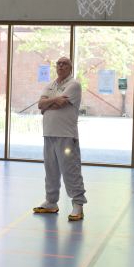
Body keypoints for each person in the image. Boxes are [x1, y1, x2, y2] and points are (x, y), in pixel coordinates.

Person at [33, 57, 87, 221]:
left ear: (70, 68)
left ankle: (78, 204)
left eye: (64, 64)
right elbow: (40, 104)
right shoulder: (50, 85)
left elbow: (59, 105)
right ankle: (51, 201)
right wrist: (55, 99)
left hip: (66, 135)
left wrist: (49, 103)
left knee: (70, 171)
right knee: (51, 170)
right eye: (58, 63)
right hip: (49, 133)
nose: (61, 65)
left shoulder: (74, 85)